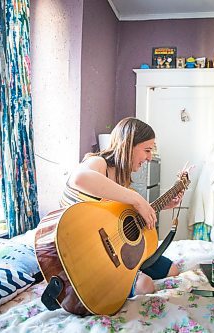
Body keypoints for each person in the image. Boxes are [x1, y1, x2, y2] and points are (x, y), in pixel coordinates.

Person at [60, 117, 183, 296]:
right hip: (85, 251)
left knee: (172, 270)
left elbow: (118, 222)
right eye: (147, 150)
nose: (149, 157)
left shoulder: (122, 179)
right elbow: (79, 178)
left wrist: (160, 207)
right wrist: (136, 199)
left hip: (112, 246)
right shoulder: (99, 163)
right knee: (144, 286)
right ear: (128, 145)